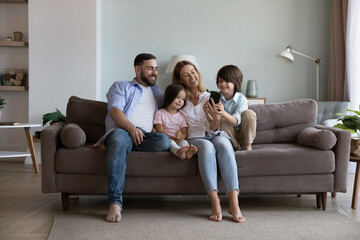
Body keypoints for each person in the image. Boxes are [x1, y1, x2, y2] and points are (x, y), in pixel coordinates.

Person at [98, 53, 170, 222]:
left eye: (156, 69)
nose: (154, 72)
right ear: (137, 69)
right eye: (150, 68)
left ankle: (119, 148)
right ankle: (115, 202)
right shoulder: (121, 86)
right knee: (120, 139)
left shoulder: (158, 93)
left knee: (163, 140)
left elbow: (163, 115)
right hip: (123, 131)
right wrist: (131, 128)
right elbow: (115, 111)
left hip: (145, 137)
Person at [172, 60, 246, 223]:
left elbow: (214, 127)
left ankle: (234, 202)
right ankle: (215, 202)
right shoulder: (180, 101)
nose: (191, 76)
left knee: (224, 145)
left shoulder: (211, 96)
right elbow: (173, 119)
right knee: (206, 147)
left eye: (193, 71)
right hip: (195, 137)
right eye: (186, 74)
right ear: (180, 80)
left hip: (214, 133)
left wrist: (211, 116)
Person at [215, 65, 257, 151]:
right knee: (221, 120)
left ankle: (248, 146)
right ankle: (236, 147)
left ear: (235, 82)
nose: (223, 84)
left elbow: (236, 122)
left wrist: (223, 112)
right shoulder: (216, 98)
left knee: (249, 113)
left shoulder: (241, 99)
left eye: (227, 81)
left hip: (243, 133)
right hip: (228, 136)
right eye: (220, 81)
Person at [154, 84, 198, 159]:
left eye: (183, 99)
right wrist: (174, 139)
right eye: (178, 97)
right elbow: (160, 131)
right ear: (169, 97)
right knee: (172, 143)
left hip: (179, 139)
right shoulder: (160, 113)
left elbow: (184, 132)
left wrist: (181, 136)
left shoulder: (181, 116)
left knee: (184, 143)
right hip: (168, 139)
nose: (180, 101)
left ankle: (187, 153)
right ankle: (179, 152)